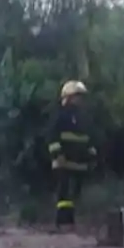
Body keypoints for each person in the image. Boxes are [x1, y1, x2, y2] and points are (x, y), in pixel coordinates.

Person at [47, 81, 95, 231]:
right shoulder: (60, 116)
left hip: (79, 163)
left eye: (81, 97)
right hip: (63, 162)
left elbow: (88, 139)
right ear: (67, 97)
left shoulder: (83, 118)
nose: (79, 101)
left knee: (74, 195)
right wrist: (58, 154)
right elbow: (52, 137)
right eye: (77, 97)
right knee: (64, 194)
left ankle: (71, 221)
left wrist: (92, 156)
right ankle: (62, 222)